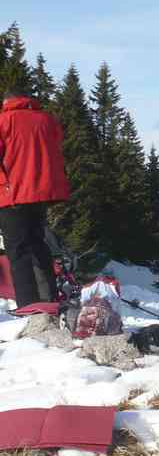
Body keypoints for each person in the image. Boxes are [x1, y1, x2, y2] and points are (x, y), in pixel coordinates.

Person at [0, 87, 70, 309]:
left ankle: (27, 305)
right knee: (38, 244)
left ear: (7, 101)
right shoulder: (47, 120)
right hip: (41, 193)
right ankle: (49, 299)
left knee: (18, 250)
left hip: (13, 194)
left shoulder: (4, 121)